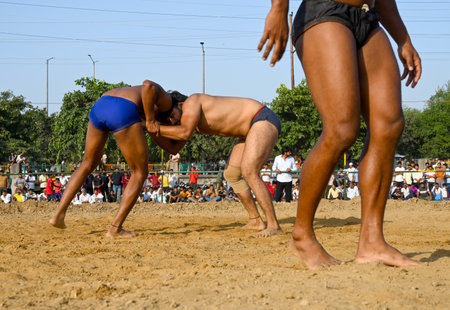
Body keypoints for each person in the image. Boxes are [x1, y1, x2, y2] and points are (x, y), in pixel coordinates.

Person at [260, 0, 422, 268]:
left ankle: (372, 241)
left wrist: (403, 39)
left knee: (389, 125)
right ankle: (301, 235)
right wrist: (278, 9)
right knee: (342, 129)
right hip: (325, 11)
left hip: (369, 19)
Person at [49, 80, 185, 237]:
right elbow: (148, 85)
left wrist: (150, 122)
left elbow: (169, 146)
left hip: (101, 104)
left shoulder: (152, 111)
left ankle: (58, 215)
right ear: (180, 105)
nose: (174, 121)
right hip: (123, 109)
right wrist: (149, 120)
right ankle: (115, 228)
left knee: (88, 163)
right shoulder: (167, 101)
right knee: (139, 173)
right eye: (177, 117)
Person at [153, 92, 283, 237]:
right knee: (231, 174)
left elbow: (183, 133)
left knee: (249, 171)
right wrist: (151, 129)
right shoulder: (190, 122)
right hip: (247, 131)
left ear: (180, 105)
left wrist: (154, 127)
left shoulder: (192, 101)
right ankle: (256, 220)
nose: (171, 121)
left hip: (261, 118)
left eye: (171, 116)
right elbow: (174, 147)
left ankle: (273, 225)